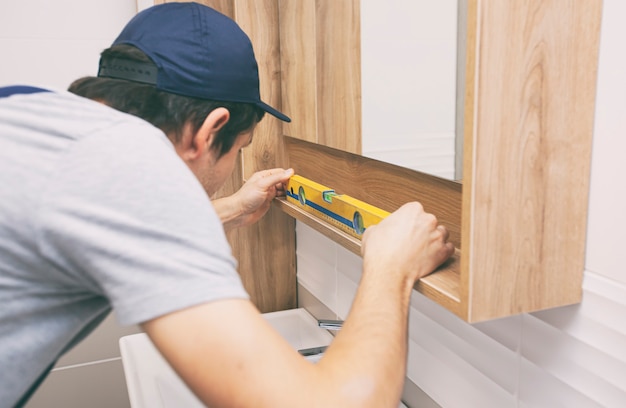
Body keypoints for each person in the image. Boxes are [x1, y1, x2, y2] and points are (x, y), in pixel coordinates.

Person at [0, 2, 454, 407]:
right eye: (240, 147)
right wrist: (391, 268)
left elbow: (110, 225)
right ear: (210, 130)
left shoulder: (28, 109)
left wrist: (232, 208)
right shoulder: (135, 166)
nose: (233, 165)